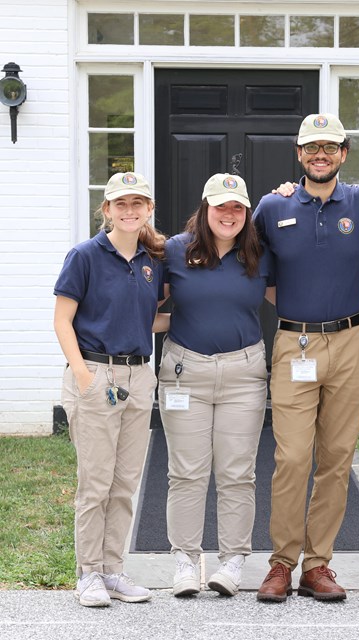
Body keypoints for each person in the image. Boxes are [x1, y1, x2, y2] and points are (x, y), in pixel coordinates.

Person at [252, 113, 359, 601]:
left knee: (336, 459)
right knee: (292, 456)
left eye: (329, 147)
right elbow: (250, 264)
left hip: (352, 342)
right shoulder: (272, 207)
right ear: (298, 154)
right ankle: (281, 563)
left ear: (343, 154)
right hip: (295, 343)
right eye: (311, 148)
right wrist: (301, 310)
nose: (320, 155)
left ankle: (318, 565)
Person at [158, 173, 274, 598]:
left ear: (247, 214)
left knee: (237, 472)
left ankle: (233, 561)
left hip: (244, 375)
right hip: (185, 371)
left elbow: (293, 301)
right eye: (221, 206)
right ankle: (186, 561)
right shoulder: (174, 250)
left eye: (237, 208)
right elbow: (144, 308)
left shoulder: (259, 255)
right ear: (205, 208)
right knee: (186, 472)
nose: (229, 214)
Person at [53, 172, 165, 607]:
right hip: (96, 374)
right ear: (107, 210)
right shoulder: (85, 256)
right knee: (95, 483)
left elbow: (144, 319)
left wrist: (193, 321)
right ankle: (89, 574)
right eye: (121, 203)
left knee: (124, 483)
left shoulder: (152, 261)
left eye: (138, 203)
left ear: (149, 210)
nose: (130, 210)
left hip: (139, 377)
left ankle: (114, 570)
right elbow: (63, 320)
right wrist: (84, 378)